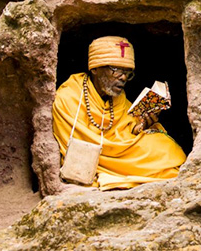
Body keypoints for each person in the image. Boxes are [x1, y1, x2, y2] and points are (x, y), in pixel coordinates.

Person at [52, 36, 186, 190]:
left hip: (121, 153)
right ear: (95, 68)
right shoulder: (69, 95)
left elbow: (126, 130)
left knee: (164, 146)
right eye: (116, 70)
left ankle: (119, 174)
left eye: (128, 73)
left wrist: (140, 126)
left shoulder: (118, 97)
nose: (123, 78)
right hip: (93, 157)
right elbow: (73, 141)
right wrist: (115, 146)